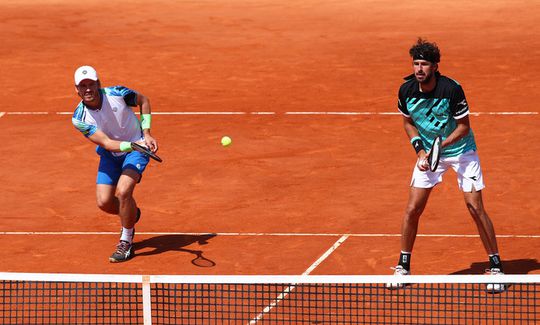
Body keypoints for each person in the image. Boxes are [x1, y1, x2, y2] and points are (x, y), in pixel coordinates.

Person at [387, 39, 505, 292]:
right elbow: (408, 123)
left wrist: (439, 146)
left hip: (462, 152)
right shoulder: (406, 90)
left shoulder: (451, 89)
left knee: (475, 208)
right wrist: (421, 150)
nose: (419, 69)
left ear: (435, 66)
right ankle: (403, 266)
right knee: (412, 209)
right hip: (428, 155)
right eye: (416, 64)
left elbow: (464, 127)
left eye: (424, 64)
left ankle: (496, 267)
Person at [71, 66, 158, 263]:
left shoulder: (118, 93)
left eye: (91, 84)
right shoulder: (79, 118)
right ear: (76, 89)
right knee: (104, 203)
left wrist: (147, 133)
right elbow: (107, 143)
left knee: (123, 191)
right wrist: (132, 145)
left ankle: (126, 240)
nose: (87, 89)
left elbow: (144, 101)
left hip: (137, 150)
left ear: (98, 84)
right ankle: (131, 213)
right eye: (82, 86)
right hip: (112, 154)